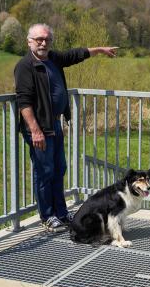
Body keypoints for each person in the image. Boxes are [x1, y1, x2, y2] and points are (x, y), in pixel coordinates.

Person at [14, 23, 117, 232]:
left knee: (59, 168)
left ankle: (61, 212)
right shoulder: (25, 66)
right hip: (39, 127)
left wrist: (99, 50)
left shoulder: (52, 58)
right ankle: (47, 215)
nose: (43, 43)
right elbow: (24, 102)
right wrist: (35, 130)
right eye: (39, 39)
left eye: (47, 39)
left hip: (54, 124)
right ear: (29, 41)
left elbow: (75, 55)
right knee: (45, 172)